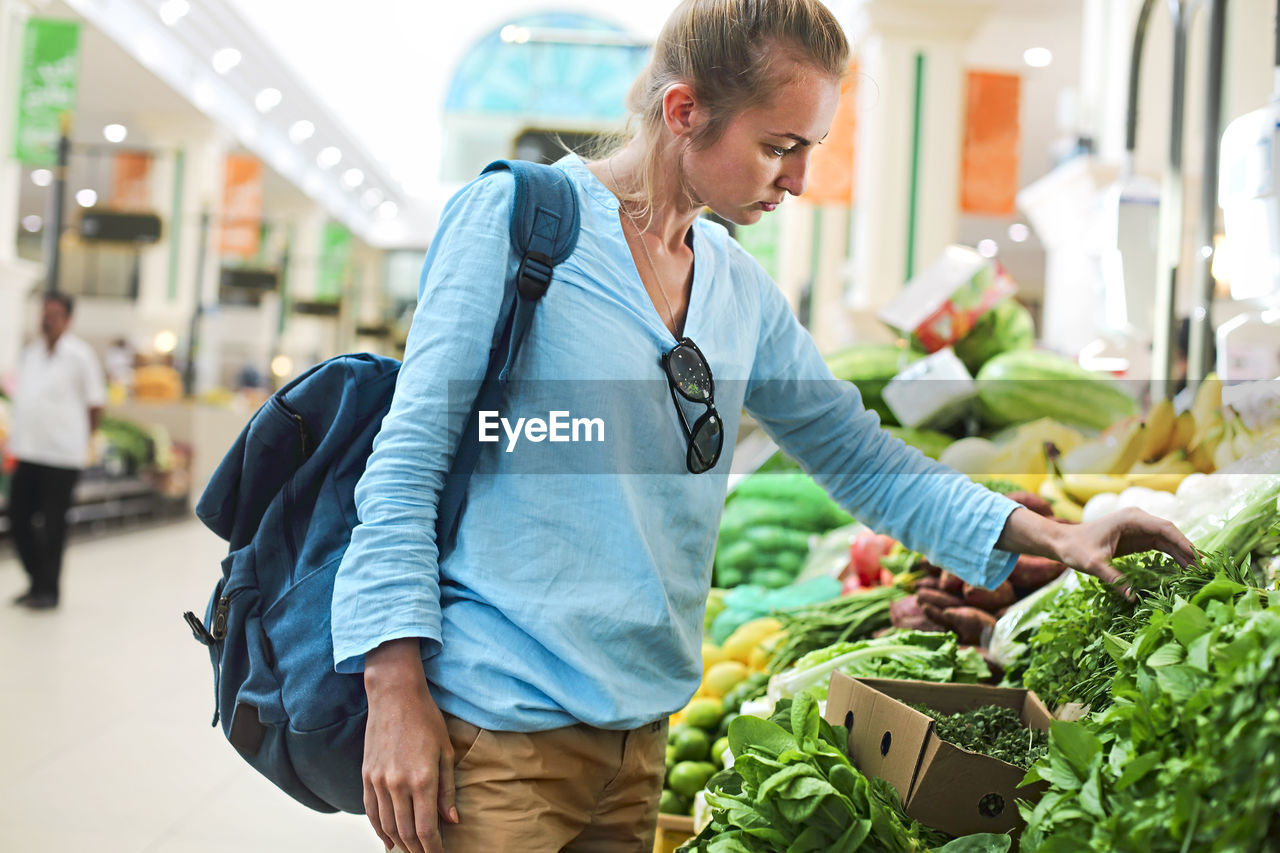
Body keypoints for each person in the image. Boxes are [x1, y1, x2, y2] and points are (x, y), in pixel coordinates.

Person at [333, 2, 1197, 851]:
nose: (798, 180)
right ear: (683, 111)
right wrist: (394, 686)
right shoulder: (521, 224)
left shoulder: (739, 292)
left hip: (638, 741)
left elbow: (859, 455)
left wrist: (1057, 533)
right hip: (497, 732)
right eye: (779, 146)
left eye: (809, 149)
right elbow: (407, 458)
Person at [8, 292, 106, 610]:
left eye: (54, 313)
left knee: (53, 525)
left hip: (63, 456)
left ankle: (48, 591)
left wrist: (85, 439)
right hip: (28, 451)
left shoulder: (81, 356)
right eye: (44, 312)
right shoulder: (31, 354)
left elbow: (95, 403)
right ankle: (36, 580)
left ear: (67, 318)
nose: (46, 318)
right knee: (18, 517)